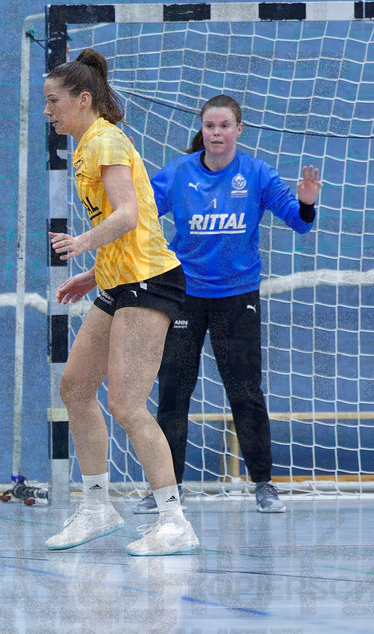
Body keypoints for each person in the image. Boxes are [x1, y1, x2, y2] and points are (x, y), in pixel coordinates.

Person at [42, 48, 199, 556]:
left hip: (150, 282)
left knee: (127, 404)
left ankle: (174, 520)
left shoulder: (105, 140)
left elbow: (129, 214)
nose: (48, 110)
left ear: (83, 99)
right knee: (75, 387)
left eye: (54, 100)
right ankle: (96, 508)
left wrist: (81, 244)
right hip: (119, 281)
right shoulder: (87, 145)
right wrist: (94, 274)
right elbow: (134, 224)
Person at [134, 94, 322, 514]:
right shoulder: (179, 172)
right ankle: (167, 489)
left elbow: (299, 223)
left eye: (223, 126)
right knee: (174, 392)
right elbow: (140, 213)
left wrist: (307, 202)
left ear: (238, 130)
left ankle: (263, 484)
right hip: (184, 296)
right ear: (201, 130)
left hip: (237, 298)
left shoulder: (257, 173)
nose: (216, 133)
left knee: (245, 390)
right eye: (209, 126)